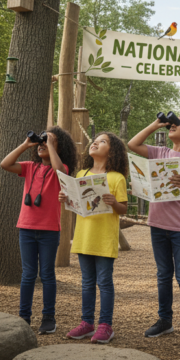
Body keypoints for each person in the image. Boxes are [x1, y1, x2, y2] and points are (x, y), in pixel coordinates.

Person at [128, 113, 180, 345]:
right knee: (163, 275)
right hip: (157, 224)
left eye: (178, 123)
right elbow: (133, 144)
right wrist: (156, 124)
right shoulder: (160, 153)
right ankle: (165, 320)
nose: (172, 124)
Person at [1, 126, 77, 335]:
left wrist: (50, 144)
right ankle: (24, 316)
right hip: (26, 228)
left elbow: (61, 170)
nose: (43, 144)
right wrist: (26, 145)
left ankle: (48, 317)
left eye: (49, 141)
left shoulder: (61, 169)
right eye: (41, 142)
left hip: (49, 230)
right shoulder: (29, 167)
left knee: (47, 274)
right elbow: (5, 164)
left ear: (58, 147)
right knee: (28, 274)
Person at [63, 132, 129, 344]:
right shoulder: (81, 173)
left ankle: (105, 326)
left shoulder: (117, 177)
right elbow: (76, 205)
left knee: (105, 283)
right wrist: (66, 198)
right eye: (95, 140)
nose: (95, 143)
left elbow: (123, 209)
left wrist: (113, 203)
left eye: (103, 141)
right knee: (87, 283)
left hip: (104, 238)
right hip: (83, 237)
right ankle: (87, 323)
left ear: (113, 151)